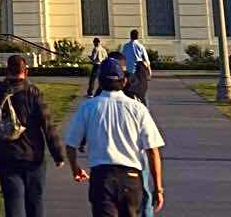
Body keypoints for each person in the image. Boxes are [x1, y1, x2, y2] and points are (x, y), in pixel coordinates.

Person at [64, 57, 165, 215]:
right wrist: (158, 188)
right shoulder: (138, 108)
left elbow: (71, 145)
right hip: (131, 177)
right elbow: (152, 150)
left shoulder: (88, 107)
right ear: (124, 81)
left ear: (100, 82)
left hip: (102, 177)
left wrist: (75, 168)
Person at [0, 53, 65, 217]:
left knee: (13, 201)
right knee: (35, 201)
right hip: (33, 155)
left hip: (7, 155)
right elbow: (47, 125)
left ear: (7, 71)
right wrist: (58, 155)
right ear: (26, 71)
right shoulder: (33, 93)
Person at [121, 30, 151, 102]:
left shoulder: (125, 46)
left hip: (128, 72)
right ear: (138, 36)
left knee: (127, 91)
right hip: (139, 72)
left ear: (130, 36)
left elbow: (122, 58)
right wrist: (149, 71)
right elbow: (146, 61)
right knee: (140, 92)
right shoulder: (140, 46)